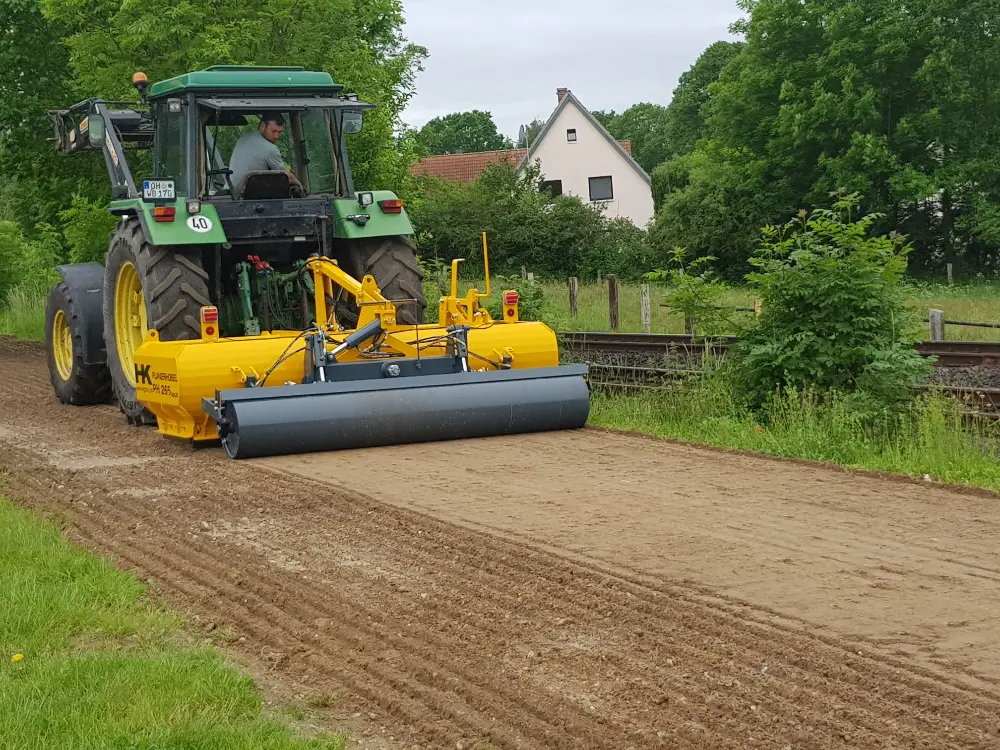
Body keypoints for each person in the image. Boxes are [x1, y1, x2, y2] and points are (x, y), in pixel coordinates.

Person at [228, 112, 302, 195]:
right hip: (244, 197)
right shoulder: (270, 149)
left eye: (280, 132)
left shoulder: (243, 139)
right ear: (263, 126)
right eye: (273, 131)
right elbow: (286, 178)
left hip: (228, 192)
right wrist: (300, 185)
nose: (277, 136)